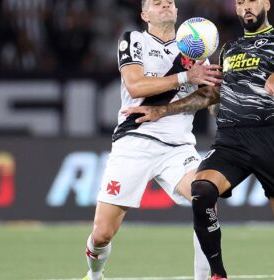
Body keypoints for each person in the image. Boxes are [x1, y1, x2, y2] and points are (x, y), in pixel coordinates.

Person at [123, 0, 274, 279]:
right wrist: (162, 110)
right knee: (201, 189)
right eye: (240, 2)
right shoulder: (228, 50)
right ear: (235, 9)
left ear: (266, 4)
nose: (246, 6)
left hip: (271, 137)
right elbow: (211, 94)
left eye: (252, 1)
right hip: (231, 140)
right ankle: (218, 274)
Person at [82, 0, 222, 279]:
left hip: (178, 148)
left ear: (177, 12)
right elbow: (135, 86)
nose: (165, 4)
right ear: (144, 14)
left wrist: (206, 96)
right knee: (102, 234)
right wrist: (186, 76)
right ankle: (95, 275)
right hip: (134, 140)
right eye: (156, 2)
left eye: (169, 1)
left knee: (205, 197)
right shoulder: (133, 40)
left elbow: (209, 96)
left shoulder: (195, 49)